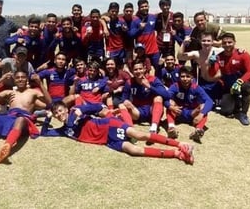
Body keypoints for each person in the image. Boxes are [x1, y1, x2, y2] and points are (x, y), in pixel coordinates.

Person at [40, 101, 194, 164]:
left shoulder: (75, 111)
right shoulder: (64, 130)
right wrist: (47, 119)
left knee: (139, 135)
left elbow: (99, 107)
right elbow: (44, 133)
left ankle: (180, 144)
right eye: (56, 114)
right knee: (133, 150)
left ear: (65, 108)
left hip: (109, 125)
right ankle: (176, 153)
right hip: (106, 140)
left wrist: (83, 109)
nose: (59, 114)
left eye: (60, 111)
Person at [210, 32, 250, 126]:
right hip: (228, 86)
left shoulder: (243, 54)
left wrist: (239, 82)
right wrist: (212, 63)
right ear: (221, 44)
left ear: (234, 42)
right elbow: (212, 73)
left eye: (229, 42)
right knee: (226, 111)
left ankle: (243, 113)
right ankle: (237, 103)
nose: (227, 45)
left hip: (242, 82)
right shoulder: (219, 56)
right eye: (224, 43)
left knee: (246, 87)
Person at [165, 66, 213, 143]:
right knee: (170, 102)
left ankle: (198, 130)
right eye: (182, 76)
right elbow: (165, 98)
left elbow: (209, 101)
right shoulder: (175, 86)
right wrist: (171, 107)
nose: (185, 79)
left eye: (188, 76)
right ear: (179, 77)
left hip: (192, 114)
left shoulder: (196, 87)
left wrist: (201, 114)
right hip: (178, 112)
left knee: (203, 106)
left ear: (192, 78)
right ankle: (171, 128)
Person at [120, 60, 170, 133]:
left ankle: (154, 127)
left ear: (144, 69)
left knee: (158, 98)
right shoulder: (129, 82)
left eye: (140, 69)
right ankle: (130, 130)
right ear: (132, 71)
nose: (138, 71)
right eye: (135, 69)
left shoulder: (153, 79)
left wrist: (149, 87)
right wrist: (126, 103)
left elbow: (166, 95)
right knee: (124, 103)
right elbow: (124, 98)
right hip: (138, 112)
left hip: (152, 110)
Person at [129, 0, 160, 72]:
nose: (144, 8)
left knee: (158, 69)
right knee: (143, 71)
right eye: (142, 7)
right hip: (141, 52)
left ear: (148, 6)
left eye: (146, 6)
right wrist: (140, 29)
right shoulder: (135, 19)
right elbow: (131, 34)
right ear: (139, 8)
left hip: (154, 50)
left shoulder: (153, 17)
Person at [155, 0, 175, 67]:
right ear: (160, 7)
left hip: (170, 45)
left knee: (171, 64)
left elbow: (180, 26)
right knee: (159, 64)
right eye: (163, 5)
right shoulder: (157, 17)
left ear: (170, 6)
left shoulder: (173, 16)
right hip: (159, 44)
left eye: (167, 5)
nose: (165, 7)